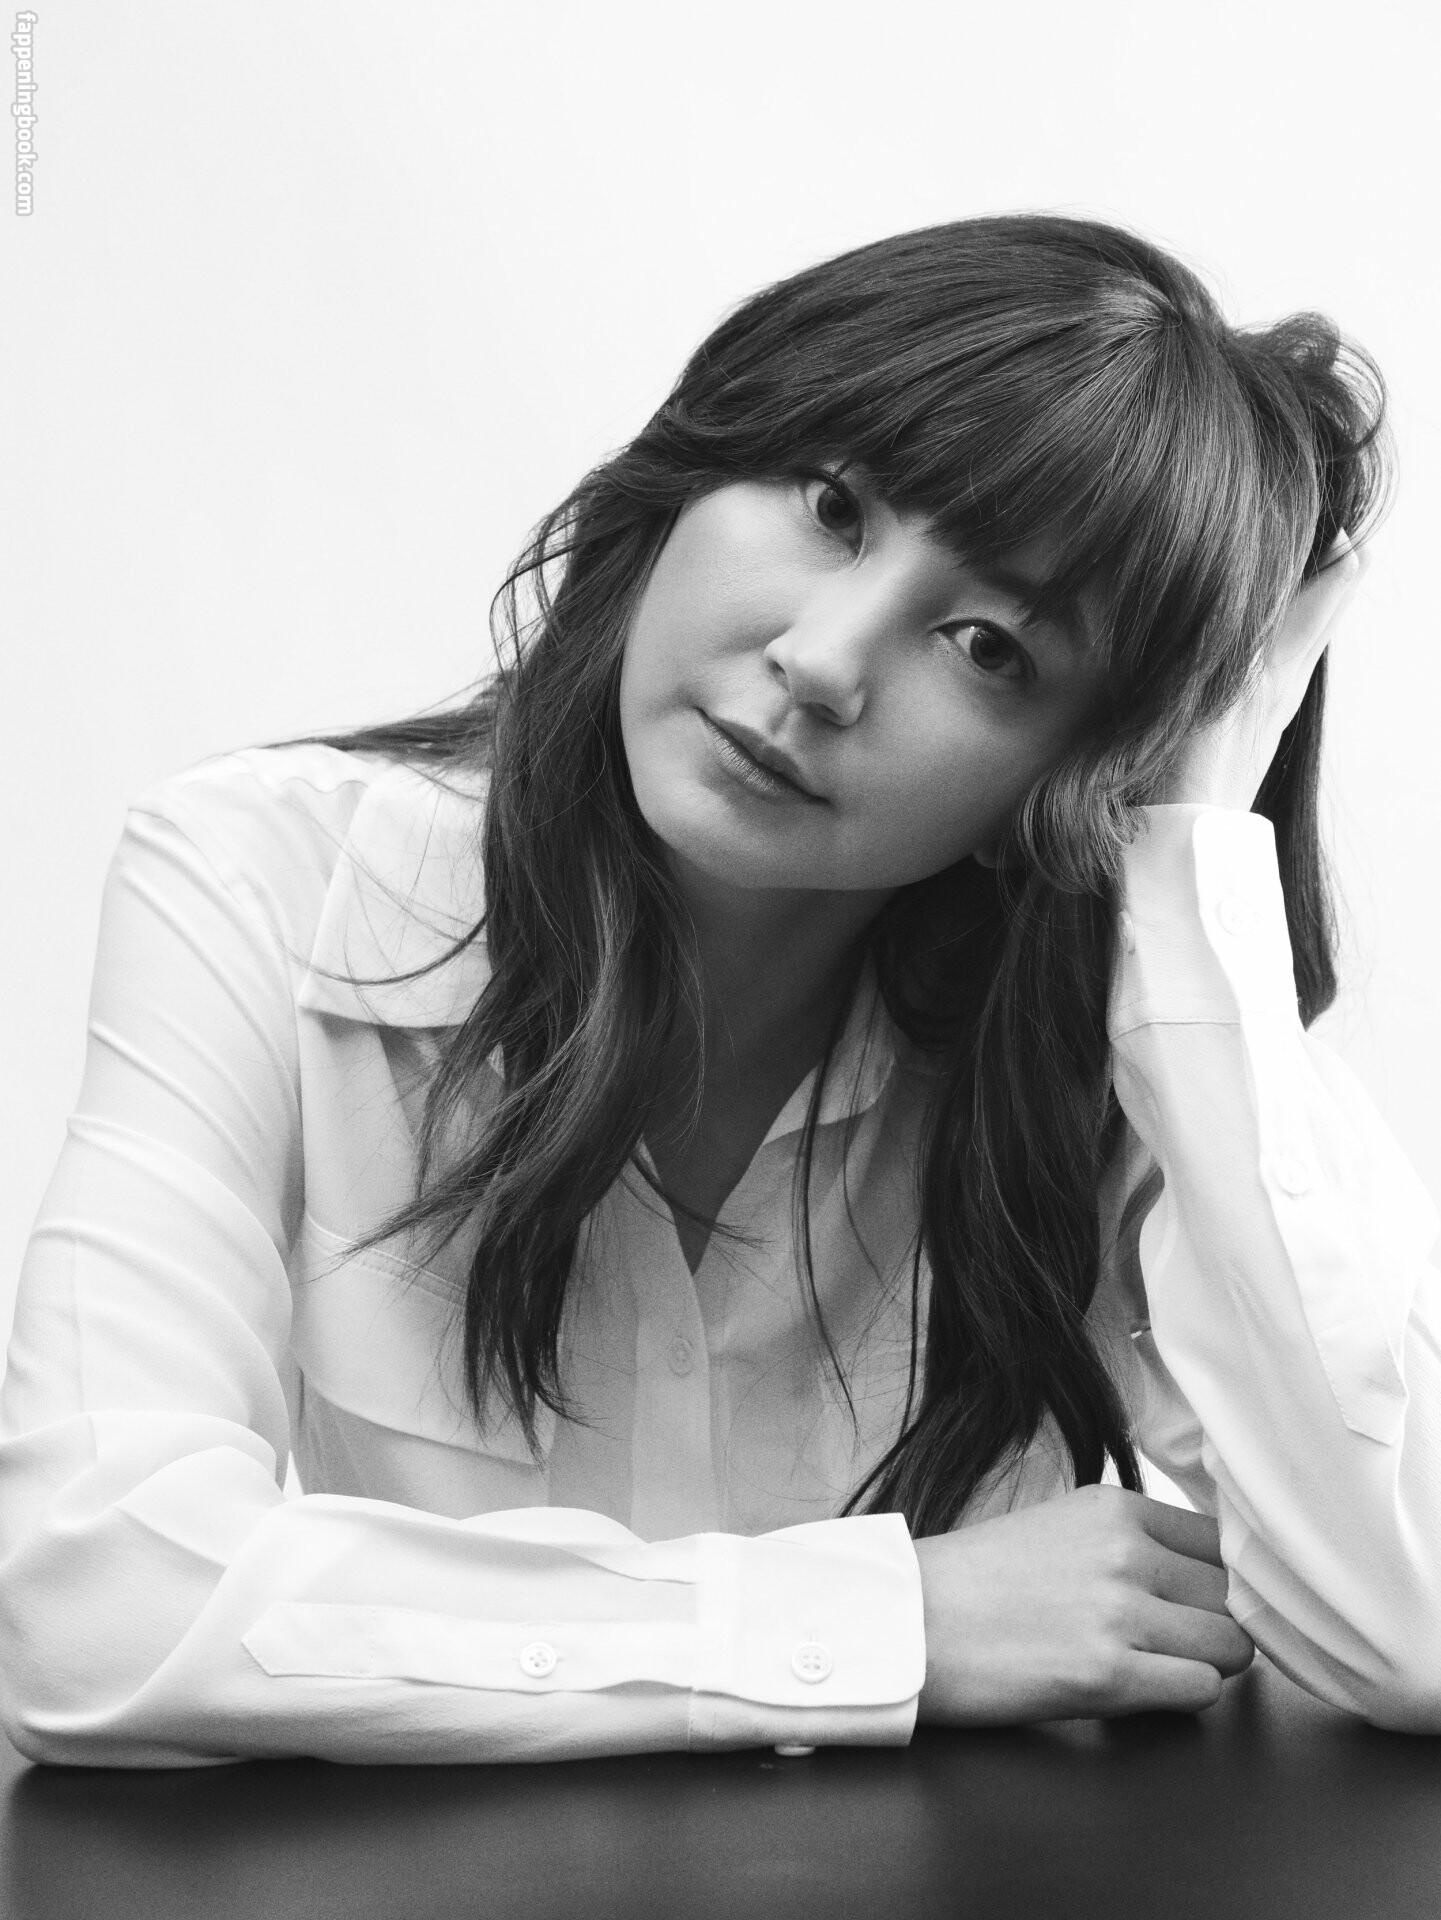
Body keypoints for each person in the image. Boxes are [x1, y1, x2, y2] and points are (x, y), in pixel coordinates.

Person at [3, 213, 1439, 1770]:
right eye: (830, 505)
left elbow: (1412, 1628)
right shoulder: (265, 878)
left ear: (1071, 767)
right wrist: (886, 1622)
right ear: (690, 473)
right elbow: (97, 1608)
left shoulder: (1108, 1016)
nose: (821, 660)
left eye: (987, 646)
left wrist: (1192, 850)